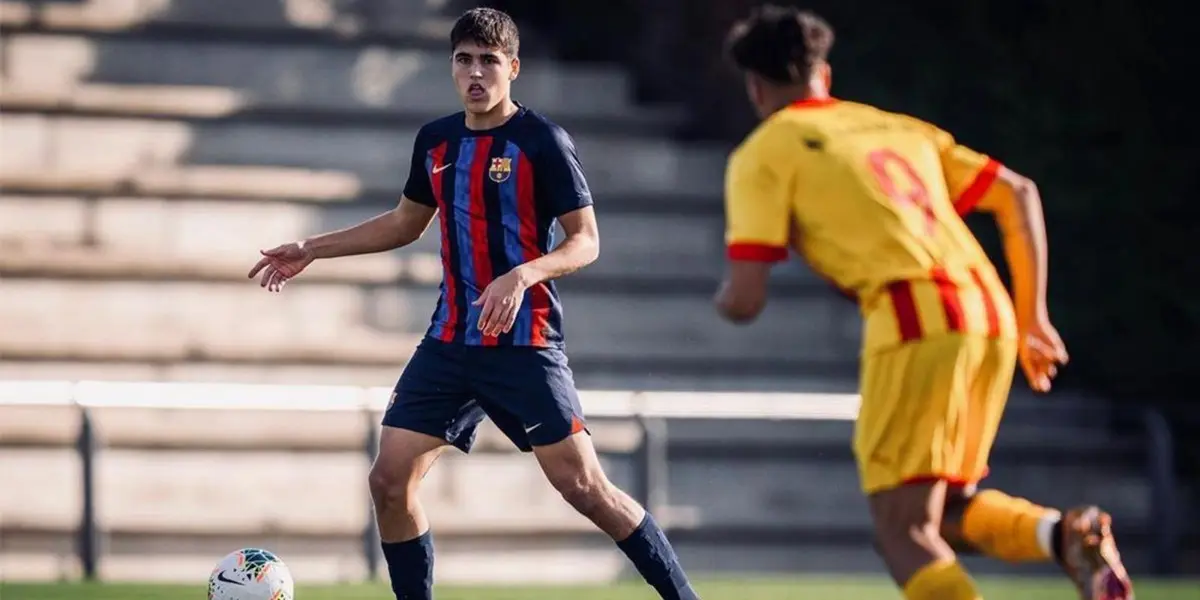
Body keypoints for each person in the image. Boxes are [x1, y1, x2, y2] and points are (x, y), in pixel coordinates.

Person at [248, 8, 698, 600]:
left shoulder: (543, 141)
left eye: (489, 61)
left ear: (513, 67)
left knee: (584, 486)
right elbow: (406, 223)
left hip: (523, 344)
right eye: (464, 60)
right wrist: (312, 247)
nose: (476, 73)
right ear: (452, 68)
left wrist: (523, 275)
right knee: (389, 481)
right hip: (450, 343)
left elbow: (586, 240)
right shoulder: (436, 140)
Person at [714, 5, 1134, 600]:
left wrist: (725, 299)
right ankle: (1066, 536)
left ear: (756, 89)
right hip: (991, 311)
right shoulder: (899, 127)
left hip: (916, 318)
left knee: (902, 530)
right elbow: (1019, 193)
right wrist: (1033, 314)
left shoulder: (764, 151)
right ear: (824, 75)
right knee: (945, 511)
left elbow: (745, 298)